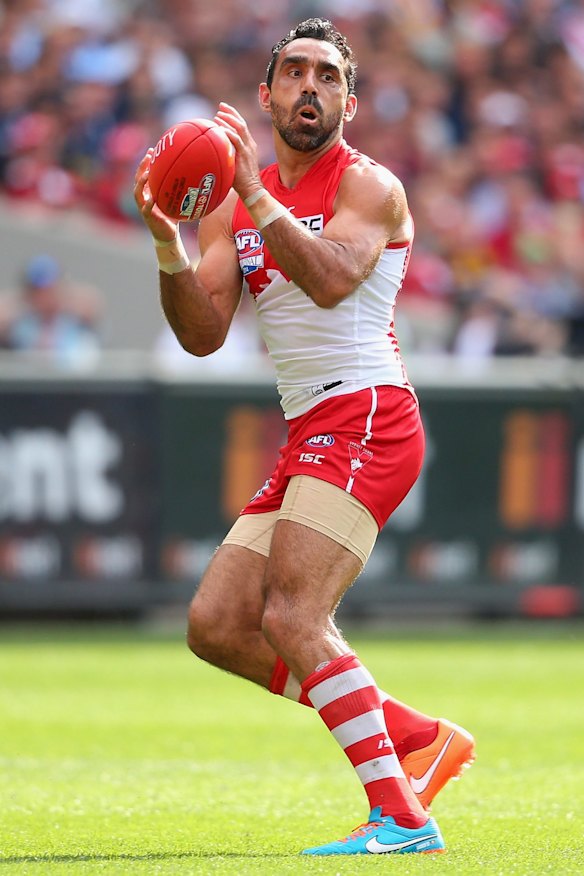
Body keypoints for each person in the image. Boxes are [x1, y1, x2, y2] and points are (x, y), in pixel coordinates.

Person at [134, 18, 475, 857]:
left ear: (349, 104)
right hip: (311, 426)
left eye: (327, 76)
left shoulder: (370, 186)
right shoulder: (225, 204)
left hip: (367, 413)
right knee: (216, 623)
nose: (310, 87)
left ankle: (400, 815)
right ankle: (415, 736)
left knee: (293, 614)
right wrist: (168, 247)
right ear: (267, 95)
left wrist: (253, 193)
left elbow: (327, 281)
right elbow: (203, 334)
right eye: (295, 73)